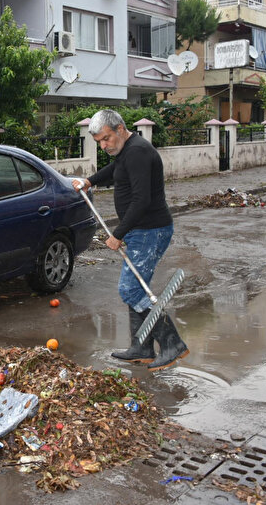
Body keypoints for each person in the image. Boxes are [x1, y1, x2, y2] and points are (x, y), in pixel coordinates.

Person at [72, 109, 188, 371]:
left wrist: (118, 234)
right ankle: (142, 347)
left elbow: (141, 201)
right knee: (137, 289)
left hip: (149, 231)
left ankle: (172, 344)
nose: (103, 146)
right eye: (99, 142)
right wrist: (90, 181)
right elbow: (115, 169)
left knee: (131, 290)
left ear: (121, 129)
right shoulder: (128, 150)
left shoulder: (137, 152)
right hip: (143, 230)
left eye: (106, 139)